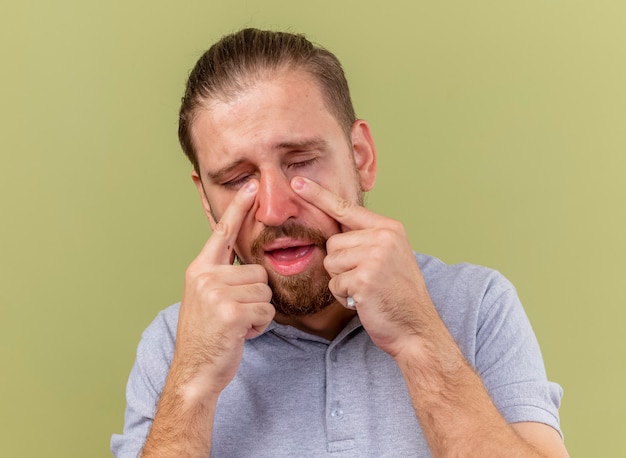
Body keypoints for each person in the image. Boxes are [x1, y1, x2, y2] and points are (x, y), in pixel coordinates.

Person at [111, 28, 568, 457]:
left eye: (302, 161)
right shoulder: (174, 343)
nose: (274, 209)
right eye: (237, 179)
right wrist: (191, 386)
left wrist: (418, 339)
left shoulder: (478, 306)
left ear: (361, 158)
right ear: (207, 202)